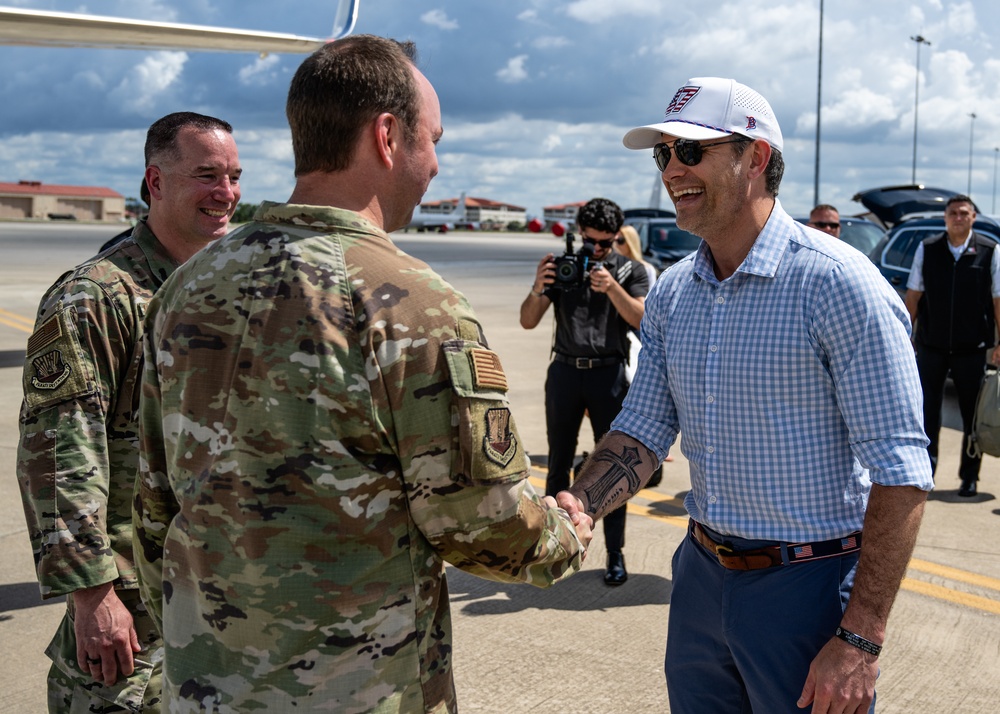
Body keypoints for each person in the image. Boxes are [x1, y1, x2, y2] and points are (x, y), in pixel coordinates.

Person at [132, 35, 589, 714]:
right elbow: (481, 525)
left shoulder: (186, 286)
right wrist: (559, 534)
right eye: (431, 138)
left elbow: (152, 501)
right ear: (386, 136)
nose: (434, 163)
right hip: (360, 691)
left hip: (208, 684)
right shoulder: (411, 302)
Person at [557, 76, 932, 713]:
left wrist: (860, 635)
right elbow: (644, 426)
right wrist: (583, 503)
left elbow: (902, 470)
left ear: (754, 158)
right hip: (702, 579)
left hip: (809, 589)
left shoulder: (840, 285)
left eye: (691, 151)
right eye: (663, 155)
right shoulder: (675, 292)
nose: (671, 169)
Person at [16, 111, 241, 713]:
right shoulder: (96, 297)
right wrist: (91, 593)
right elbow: (58, 450)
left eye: (234, 176)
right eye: (207, 176)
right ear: (156, 181)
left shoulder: (216, 292)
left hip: (216, 603)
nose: (226, 194)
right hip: (132, 611)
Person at [519, 198, 649, 585]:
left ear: (616, 237)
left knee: (613, 465)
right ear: (579, 235)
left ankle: (615, 553)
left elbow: (642, 320)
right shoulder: (562, 268)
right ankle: (552, 547)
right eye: (590, 242)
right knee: (558, 462)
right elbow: (527, 321)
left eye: (605, 244)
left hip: (608, 374)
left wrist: (611, 288)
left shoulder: (631, 271)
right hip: (564, 371)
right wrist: (540, 286)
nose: (596, 251)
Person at [904, 194, 1000, 497]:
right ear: (945, 218)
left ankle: (969, 477)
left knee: (972, 414)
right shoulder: (928, 248)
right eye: (952, 213)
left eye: (963, 213)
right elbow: (914, 295)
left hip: (972, 348)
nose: (958, 218)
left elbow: (998, 301)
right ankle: (926, 472)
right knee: (927, 413)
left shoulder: (989, 251)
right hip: (931, 345)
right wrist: (906, 335)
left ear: (973, 217)